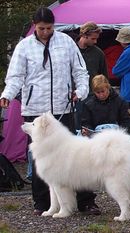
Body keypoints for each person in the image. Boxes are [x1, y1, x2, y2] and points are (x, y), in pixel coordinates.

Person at [0, 7, 95, 215]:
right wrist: (7, 94)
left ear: (54, 26)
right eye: (41, 28)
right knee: (39, 159)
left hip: (63, 108)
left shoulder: (66, 42)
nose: (45, 32)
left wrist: (81, 90)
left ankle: (86, 201)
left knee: (75, 156)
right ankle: (42, 203)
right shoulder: (23, 47)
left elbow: (80, 71)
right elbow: (15, 76)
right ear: (35, 25)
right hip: (36, 110)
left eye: (49, 28)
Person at [77, 21, 109, 87]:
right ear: (84, 36)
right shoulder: (70, 50)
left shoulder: (98, 53)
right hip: (73, 93)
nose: (95, 41)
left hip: (92, 94)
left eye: (96, 39)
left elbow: (104, 77)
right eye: (93, 39)